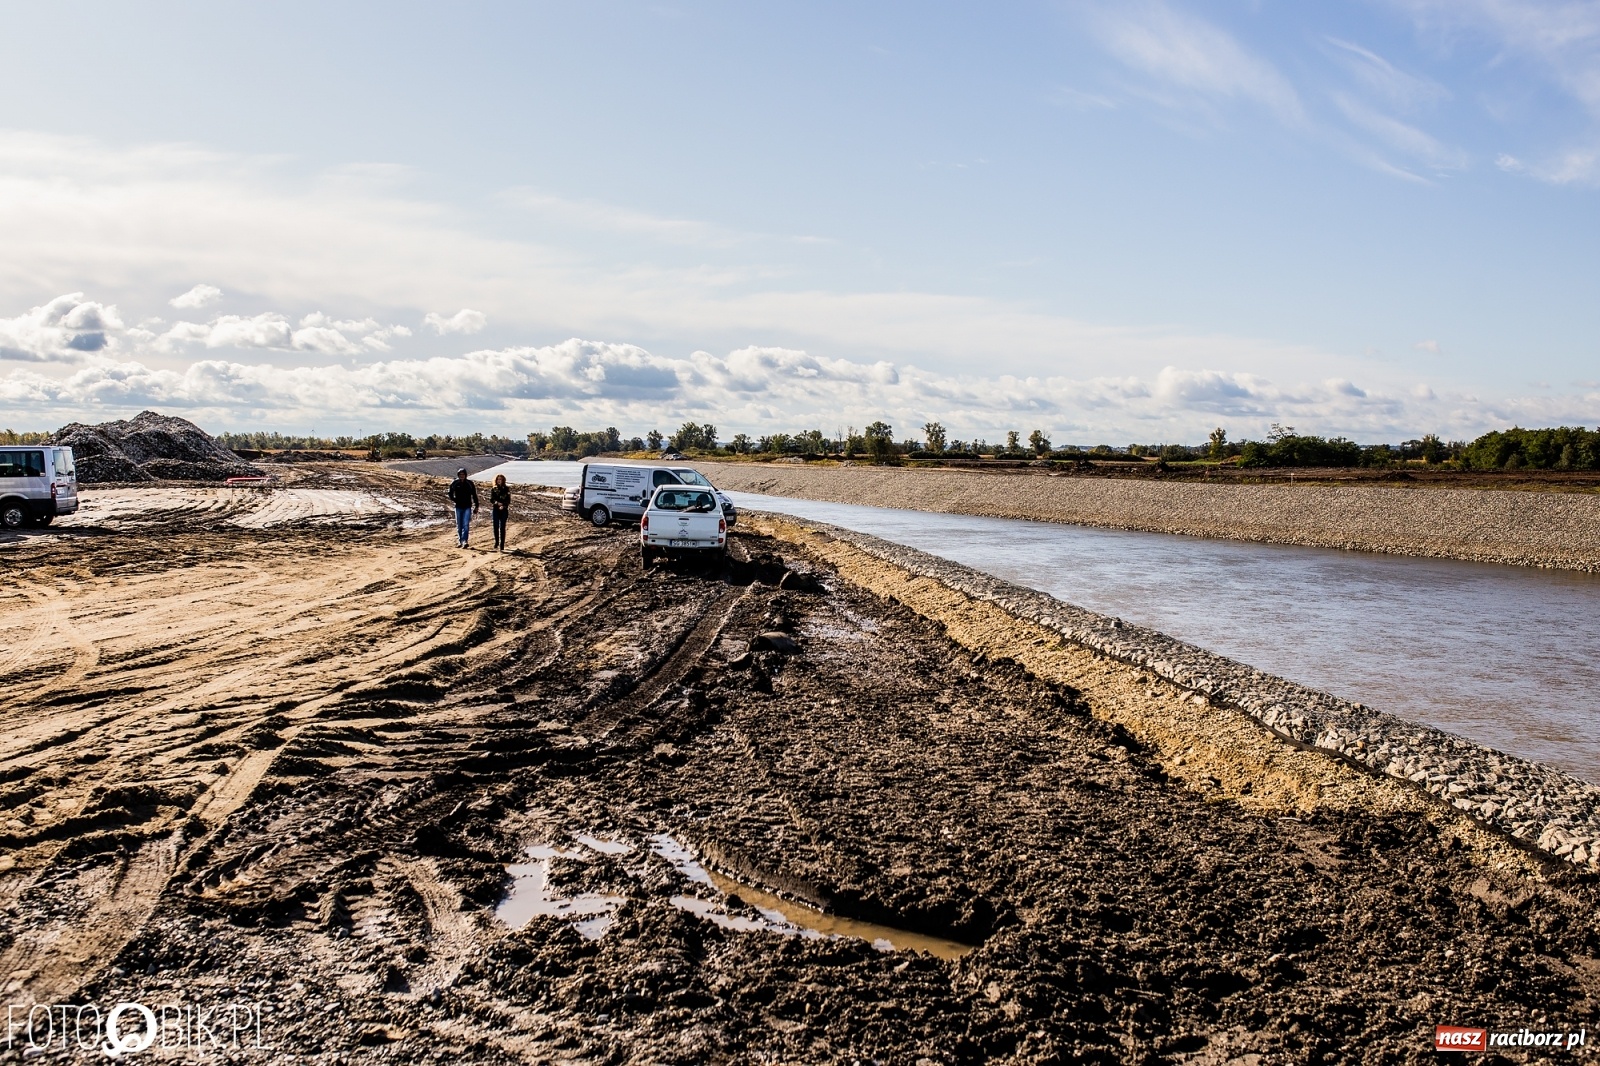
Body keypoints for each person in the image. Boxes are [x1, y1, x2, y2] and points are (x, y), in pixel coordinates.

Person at [447, 468, 479, 547]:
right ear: (458, 475)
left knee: (465, 524)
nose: (462, 476)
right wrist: (455, 500)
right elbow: (450, 493)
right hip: (458, 507)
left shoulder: (470, 484)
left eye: (463, 474)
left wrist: (476, 506)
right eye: (460, 475)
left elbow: (474, 495)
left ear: (465, 475)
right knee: (459, 525)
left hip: (467, 506)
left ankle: (465, 541)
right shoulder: (455, 483)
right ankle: (460, 541)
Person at [489, 473, 511, 551]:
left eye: (501, 479)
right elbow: (491, 499)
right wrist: (497, 503)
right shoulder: (493, 489)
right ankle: (496, 542)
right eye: (498, 479)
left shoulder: (507, 489)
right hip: (496, 509)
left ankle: (502, 544)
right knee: (495, 526)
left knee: (502, 527)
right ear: (496, 480)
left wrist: (503, 506)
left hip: (504, 510)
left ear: (503, 480)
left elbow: (508, 500)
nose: (499, 481)